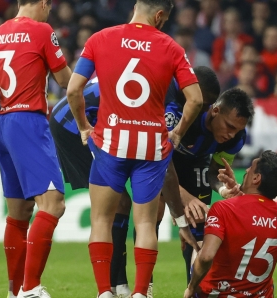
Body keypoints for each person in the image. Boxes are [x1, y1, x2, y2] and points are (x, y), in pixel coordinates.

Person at [66, 0, 203, 297]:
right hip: (151, 146)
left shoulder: (99, 39)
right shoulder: (171, 47)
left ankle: (105, 292)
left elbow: (73, 89)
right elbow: (196, 99)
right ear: (159, 15)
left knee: (101, 219)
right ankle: (141, 292)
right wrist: (177, 132)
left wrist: (83, 127)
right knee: (144, 223)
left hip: (111, 142)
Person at [50, 67, 218, 297]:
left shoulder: (162, 85)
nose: (202, 109)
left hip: (87, 118)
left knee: (121, 204)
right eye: (203, 104)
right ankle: (113, 288)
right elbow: (164, 164)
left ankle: (119, 286)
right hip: (72, 124)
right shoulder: (161, 97)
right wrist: (182, 214)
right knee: (114, 206)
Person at [0, 1, 72, 298]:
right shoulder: (42, 31)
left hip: (4, 124)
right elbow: (65, 81)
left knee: (20, 214)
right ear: (44, 4)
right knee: (54, 204)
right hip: (29, 122)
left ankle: (14, 291)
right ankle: (31, 288)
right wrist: (97, 88)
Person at [166, 87, 253, 285]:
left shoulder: (236, 139)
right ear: (215, 111)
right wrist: (184, 197)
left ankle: (194, 289)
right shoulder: (187, 117)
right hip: (162, 163)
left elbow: (214, 172)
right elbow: (156, 163)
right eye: (229, 126)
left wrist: (224, 189)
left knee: (198, 221)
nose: (231, 135)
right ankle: (144, 290)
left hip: (196, 167)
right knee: (150, 217)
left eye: (237, 130)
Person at [184, 150, 277, 298]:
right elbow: (256, 214)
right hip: (258, 295)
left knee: (197, 240)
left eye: (251, 168)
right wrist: (241, 194)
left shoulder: (222, 208)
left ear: (256, 178)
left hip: (217, 294)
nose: (247, 170)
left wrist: (191, 287)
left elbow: (206, 257)